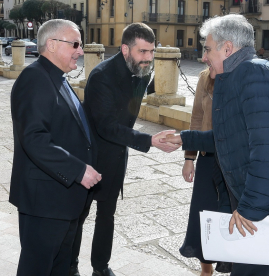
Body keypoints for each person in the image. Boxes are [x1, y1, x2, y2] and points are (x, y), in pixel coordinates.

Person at [161, 14, 269, 276]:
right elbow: (230, 137)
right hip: (257, 207)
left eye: (208, 49)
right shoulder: (238, 76)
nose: (204, 57)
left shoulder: (258, 76)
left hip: (268, 211)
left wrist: (249, 209)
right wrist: (186, 139)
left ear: (227, 49)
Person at [70, 23, 180, 276]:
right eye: (143, 52)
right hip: (92, 156)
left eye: (152, 52)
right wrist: (150, 140)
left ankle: (100, 267)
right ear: (125, 49)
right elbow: (107, 126)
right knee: (79, 215)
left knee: (106, 215)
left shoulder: (141, 71)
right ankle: (70, 267)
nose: (148, 58)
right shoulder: (101, 77)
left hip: (117, 155)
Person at [10, 19, 102, 276]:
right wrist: (78, 169)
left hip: (64, 200)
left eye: (80, 45)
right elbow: (34, 138)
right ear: (51, 45)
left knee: (61, 269)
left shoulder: (58, 78)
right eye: (75, 44)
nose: (80, 51)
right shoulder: (35, 78)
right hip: (45, 203)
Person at [180, 68, 232, 276]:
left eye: (209, 50)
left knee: (229, 214)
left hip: (233, 161)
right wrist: (189, 158)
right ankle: (206, 269)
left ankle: (232, 263)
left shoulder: (242, 76)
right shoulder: (204, 77)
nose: (204, 57)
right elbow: (196, 117)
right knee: (204, 213)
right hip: (207, 157)